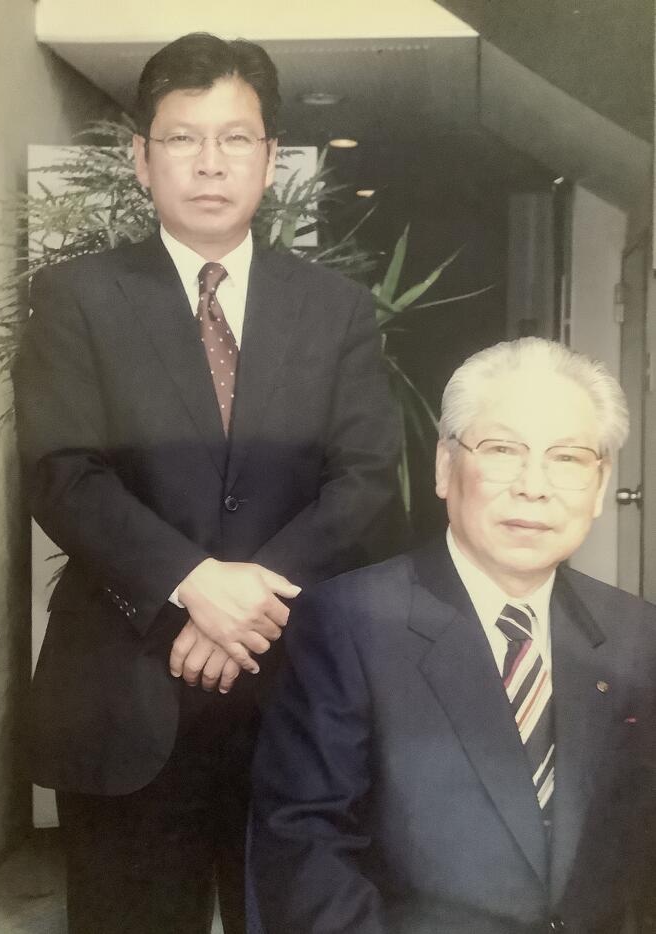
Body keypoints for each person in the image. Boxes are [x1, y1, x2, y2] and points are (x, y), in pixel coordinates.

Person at [12, 32, 404, 934]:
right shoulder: (75, 296)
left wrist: (246, 602)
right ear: (141, 159)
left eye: (235, 138)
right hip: (123, 692)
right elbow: (62, 473)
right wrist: (193, 583)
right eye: (183, 138)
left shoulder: (335, 309)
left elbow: (365, 479)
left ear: (270, 157)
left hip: (293, 691)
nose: (210, 163)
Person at [251, 336, 656, 934]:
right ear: (445, 466)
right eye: (503, 450)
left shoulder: (637, 635)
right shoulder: (349, 622)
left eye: (567, 458)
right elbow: (303, 847)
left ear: (599, 487)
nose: (534, 486)